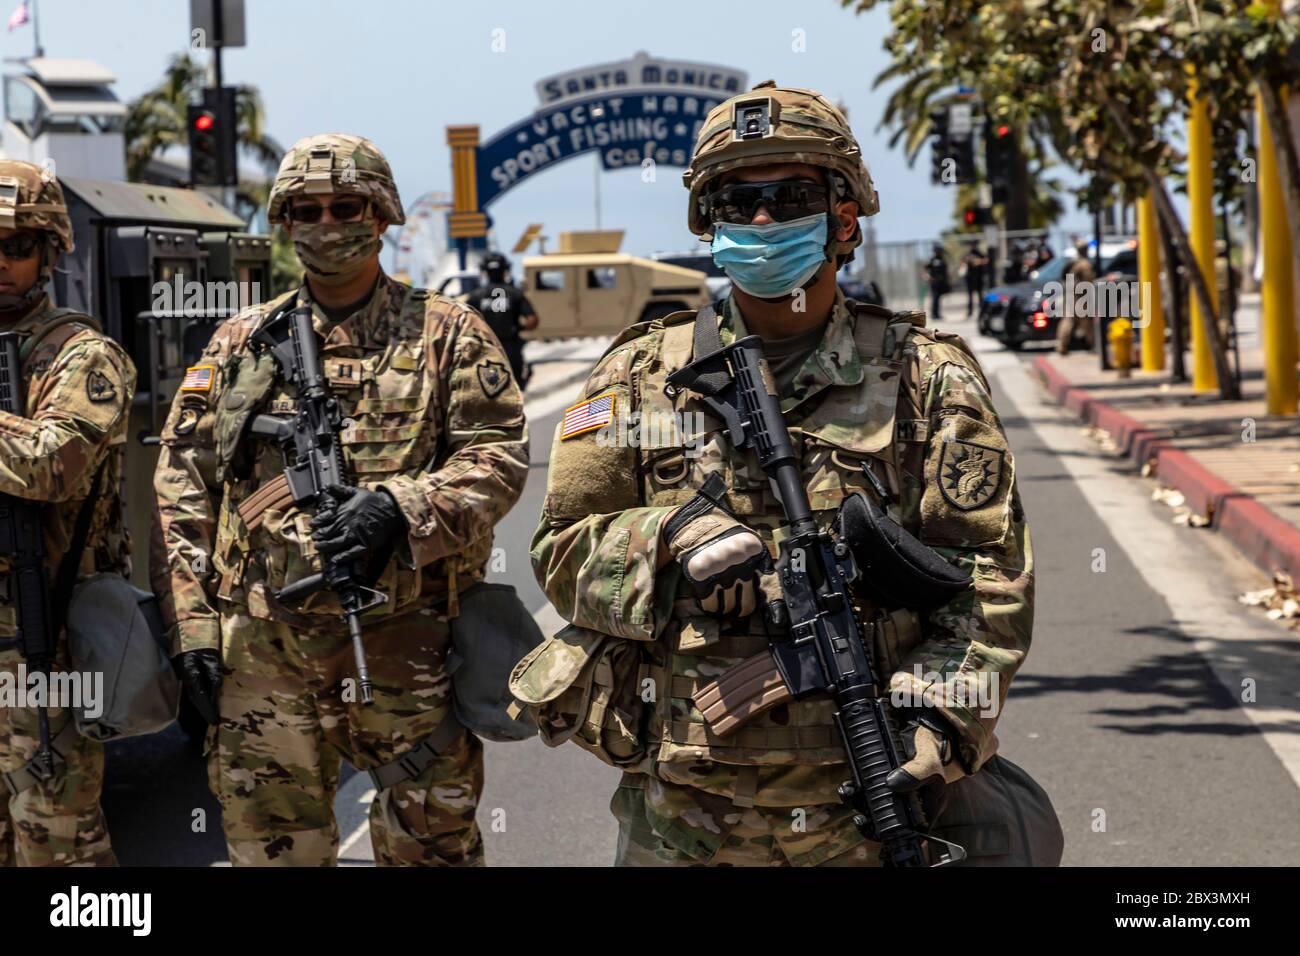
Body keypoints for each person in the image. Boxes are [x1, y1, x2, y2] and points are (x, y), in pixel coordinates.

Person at [525, 83, 1051, 866]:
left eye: (791, 196)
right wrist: (665, 535)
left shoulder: (925, 376)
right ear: (711, 224)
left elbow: (989, 577)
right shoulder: (634, 376)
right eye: (740, 201)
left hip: (871, 804)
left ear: (844, 217)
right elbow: (560, 550)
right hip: (683, 817)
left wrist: (937, 718)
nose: (764, 220)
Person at [151, 134, 529, 866]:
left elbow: (500, 456)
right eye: (307, 210)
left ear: (381, 213)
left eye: (346, 206)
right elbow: (181, 487)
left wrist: (401, 507)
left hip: (406, 645)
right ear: (285, 222)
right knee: (272, 851)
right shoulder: (239, 345)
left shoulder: (448, 335)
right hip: (263, 649)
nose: (327, 224)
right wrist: (193, 629)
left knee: (432, 847)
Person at [0, 160, 136, 866]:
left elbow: (49, 465)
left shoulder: (85, 356)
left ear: (48, 252)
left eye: (15, 247)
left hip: (40, 650)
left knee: (59, 853)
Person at [472, 252, 538, 389]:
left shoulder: (476, 296)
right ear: (506, 270)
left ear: (484, 271)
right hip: (511, 349)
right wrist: (519, 329)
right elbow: (532, 320)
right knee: (515, 392)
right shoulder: (515, 293)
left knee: (489, 392)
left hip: (486, 351)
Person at [1056, 241, 1097, 355]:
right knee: (1087, 323)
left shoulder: (1073, 262)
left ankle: (1062, 346)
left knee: (1068, 321)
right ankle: (1093, 345)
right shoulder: (1084, 264)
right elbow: (1089, 281)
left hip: (1070, 295)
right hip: (1080, 297)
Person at [924, 242, 950, 320]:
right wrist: (928, 277)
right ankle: (933, 314)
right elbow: (925, 269)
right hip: (934, 282)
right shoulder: (932, 259)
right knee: (935, 297)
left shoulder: (942, 259)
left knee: (938, 298)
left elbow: (946, 271)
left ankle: (937, 314)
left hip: (942, 282)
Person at [962, 243, 988, 318]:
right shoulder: (968, 254)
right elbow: (963, 262)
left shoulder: (979, 253)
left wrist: (978, 261)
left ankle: (982, 311)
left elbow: (986, 260)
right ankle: (970, 312)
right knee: (970, 296)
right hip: (970, 279)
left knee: (980, 295)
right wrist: (968, 261)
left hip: (979, 278)